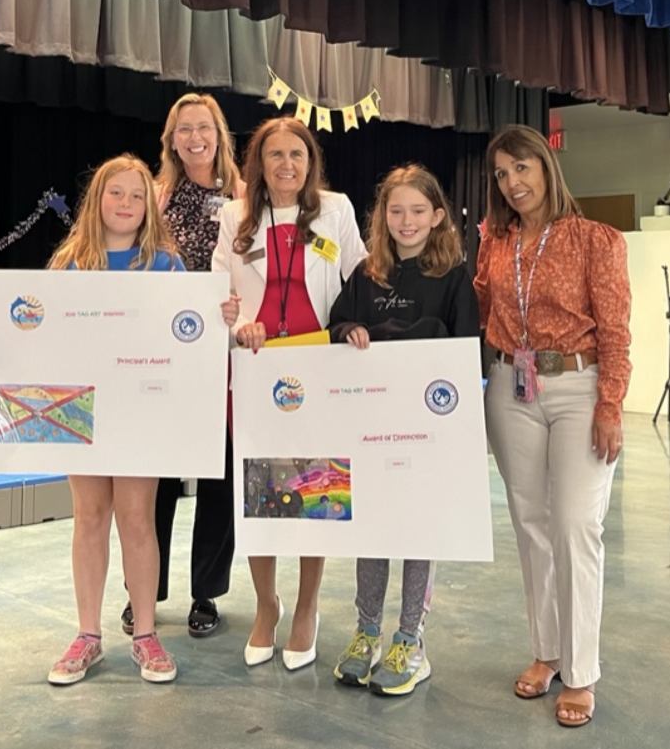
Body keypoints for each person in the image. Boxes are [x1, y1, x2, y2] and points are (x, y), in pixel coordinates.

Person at [0, 154, 240, 685]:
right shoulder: (71, 262)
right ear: (98, 199)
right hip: (81, 410)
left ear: (149, 206)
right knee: (89, 516)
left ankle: (146, 635)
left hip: (140, 412)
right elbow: (33, 332)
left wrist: (219, 317)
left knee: (137, 518)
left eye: (137, 195)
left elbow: (190, 334)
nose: (126, 203)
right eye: (117, 193)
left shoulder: (166, 265)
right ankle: (87, 635)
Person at [474, 125, 631, 727]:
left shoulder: (595, 239)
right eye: (501, 173)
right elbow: (478, 312)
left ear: (545, 166)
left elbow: (615, 331)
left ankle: (581, 671)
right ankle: (548, 652)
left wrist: (610, 405)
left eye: (522, 167)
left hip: (577, 388)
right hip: (510, 389)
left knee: (574, 525)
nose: (512, 182)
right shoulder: (496, 244)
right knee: (531, 524)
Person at [212, 116, 367, 670]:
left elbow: (362, 278)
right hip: (256, 370)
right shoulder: (233, 216)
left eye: (296, 154)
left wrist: (357, 326)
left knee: (315, 489)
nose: (286, 164)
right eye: (274, 154)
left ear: (310, 162)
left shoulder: (335, 210)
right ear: (259, 162)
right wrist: (239, 326)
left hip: (318, 367)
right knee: (259, 491)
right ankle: (266, 605)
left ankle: (306, 608)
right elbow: (219, 296)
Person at [327, 164, 480, 695]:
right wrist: (349, 330)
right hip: (371, 427)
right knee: (373, 530)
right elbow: (336, 326)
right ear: (383, 217)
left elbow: (466, 355)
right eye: (396, 211)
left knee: (418, 530)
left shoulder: (455, 278)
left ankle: (410, 639)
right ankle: (367, 631)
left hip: (426, 433)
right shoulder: (366, 274)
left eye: (418, 210)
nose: (406, 220)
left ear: (437, 216)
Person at [119, 93, 245, 640]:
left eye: (204, 128)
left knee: (219, 476)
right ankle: (144, 590)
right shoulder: (155, 195)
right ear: (171, 139)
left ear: (220, 135)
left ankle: (206, 592)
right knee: (157, 478)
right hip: (163, 356)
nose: (195, 138)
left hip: (224, 354)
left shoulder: (246, 196)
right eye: (184, 129)